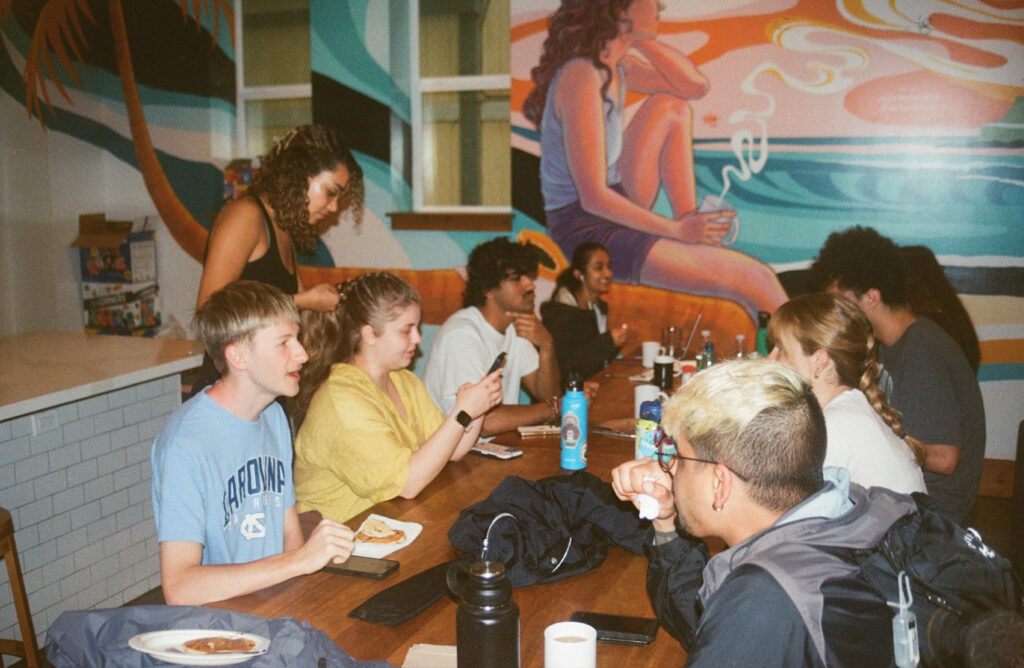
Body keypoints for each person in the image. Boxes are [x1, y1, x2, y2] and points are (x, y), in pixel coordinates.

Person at [610, 361, 1014, 665]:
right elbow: (712, 630)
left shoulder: (765, 600)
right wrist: (666, 522)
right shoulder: (864, 507)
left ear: (720, 483)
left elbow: (743, 629)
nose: (668, 468)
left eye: (676, 456)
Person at [522, 0, 787, 323]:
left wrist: (639, 37)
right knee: (757, 279)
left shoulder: (617, 65)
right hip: (584, 226)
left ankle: (692, 225)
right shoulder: (581, 76)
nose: (660, 6)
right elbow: (591, 197)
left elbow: (693, 86)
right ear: (619, 10)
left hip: (613, 200)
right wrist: (675, 231)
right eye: (650, 2)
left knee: (672, 106)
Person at [151, 281, 354, 606]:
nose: (302, 353)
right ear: (239, 356)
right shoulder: (185, 445)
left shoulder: (273, 415)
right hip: (220, 621)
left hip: (275, 601)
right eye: (284, 343)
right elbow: (179, 587)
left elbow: (290, 535)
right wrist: (300, 561)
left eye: (297, 338)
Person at [291, 272, 503, 523]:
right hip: (343, 544)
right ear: (369, 334)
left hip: (390, 524)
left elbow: (452, 450)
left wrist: (477, 408)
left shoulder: (403, 380)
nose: (418, 339)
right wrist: (463, 413)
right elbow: (408, 484)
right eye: (406, 331)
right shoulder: (341, 400)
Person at [808, 226, 985, 525]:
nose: (836, 312)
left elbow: (945, 459)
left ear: (872, 297)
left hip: (932, 515)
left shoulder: (922, 352)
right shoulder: (893, 344)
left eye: (841, 302)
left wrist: (875, 440)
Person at [189, 124, 365, 394]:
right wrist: (306, 301)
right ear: (299, 175)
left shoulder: (283, 228)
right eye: (330, 193)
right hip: (231, 391)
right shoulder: (245, 216)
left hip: (266, 388)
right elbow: (209, 310)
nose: (333, 208)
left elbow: (300, 312)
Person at [767, 292, 927, 494]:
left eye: (781, 349)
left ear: (819, 360)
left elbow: (792, 515)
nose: (770, 359)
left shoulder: (832, 428)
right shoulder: (850, 408)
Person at [541, 242, 629, 379]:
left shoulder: (598, 308)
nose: (608, 273)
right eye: (599, 268)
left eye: (609, 267)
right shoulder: (560, 314)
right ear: (579, 275)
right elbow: (565, 366)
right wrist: (607, 342)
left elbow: (595, 360)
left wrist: (614, 343)